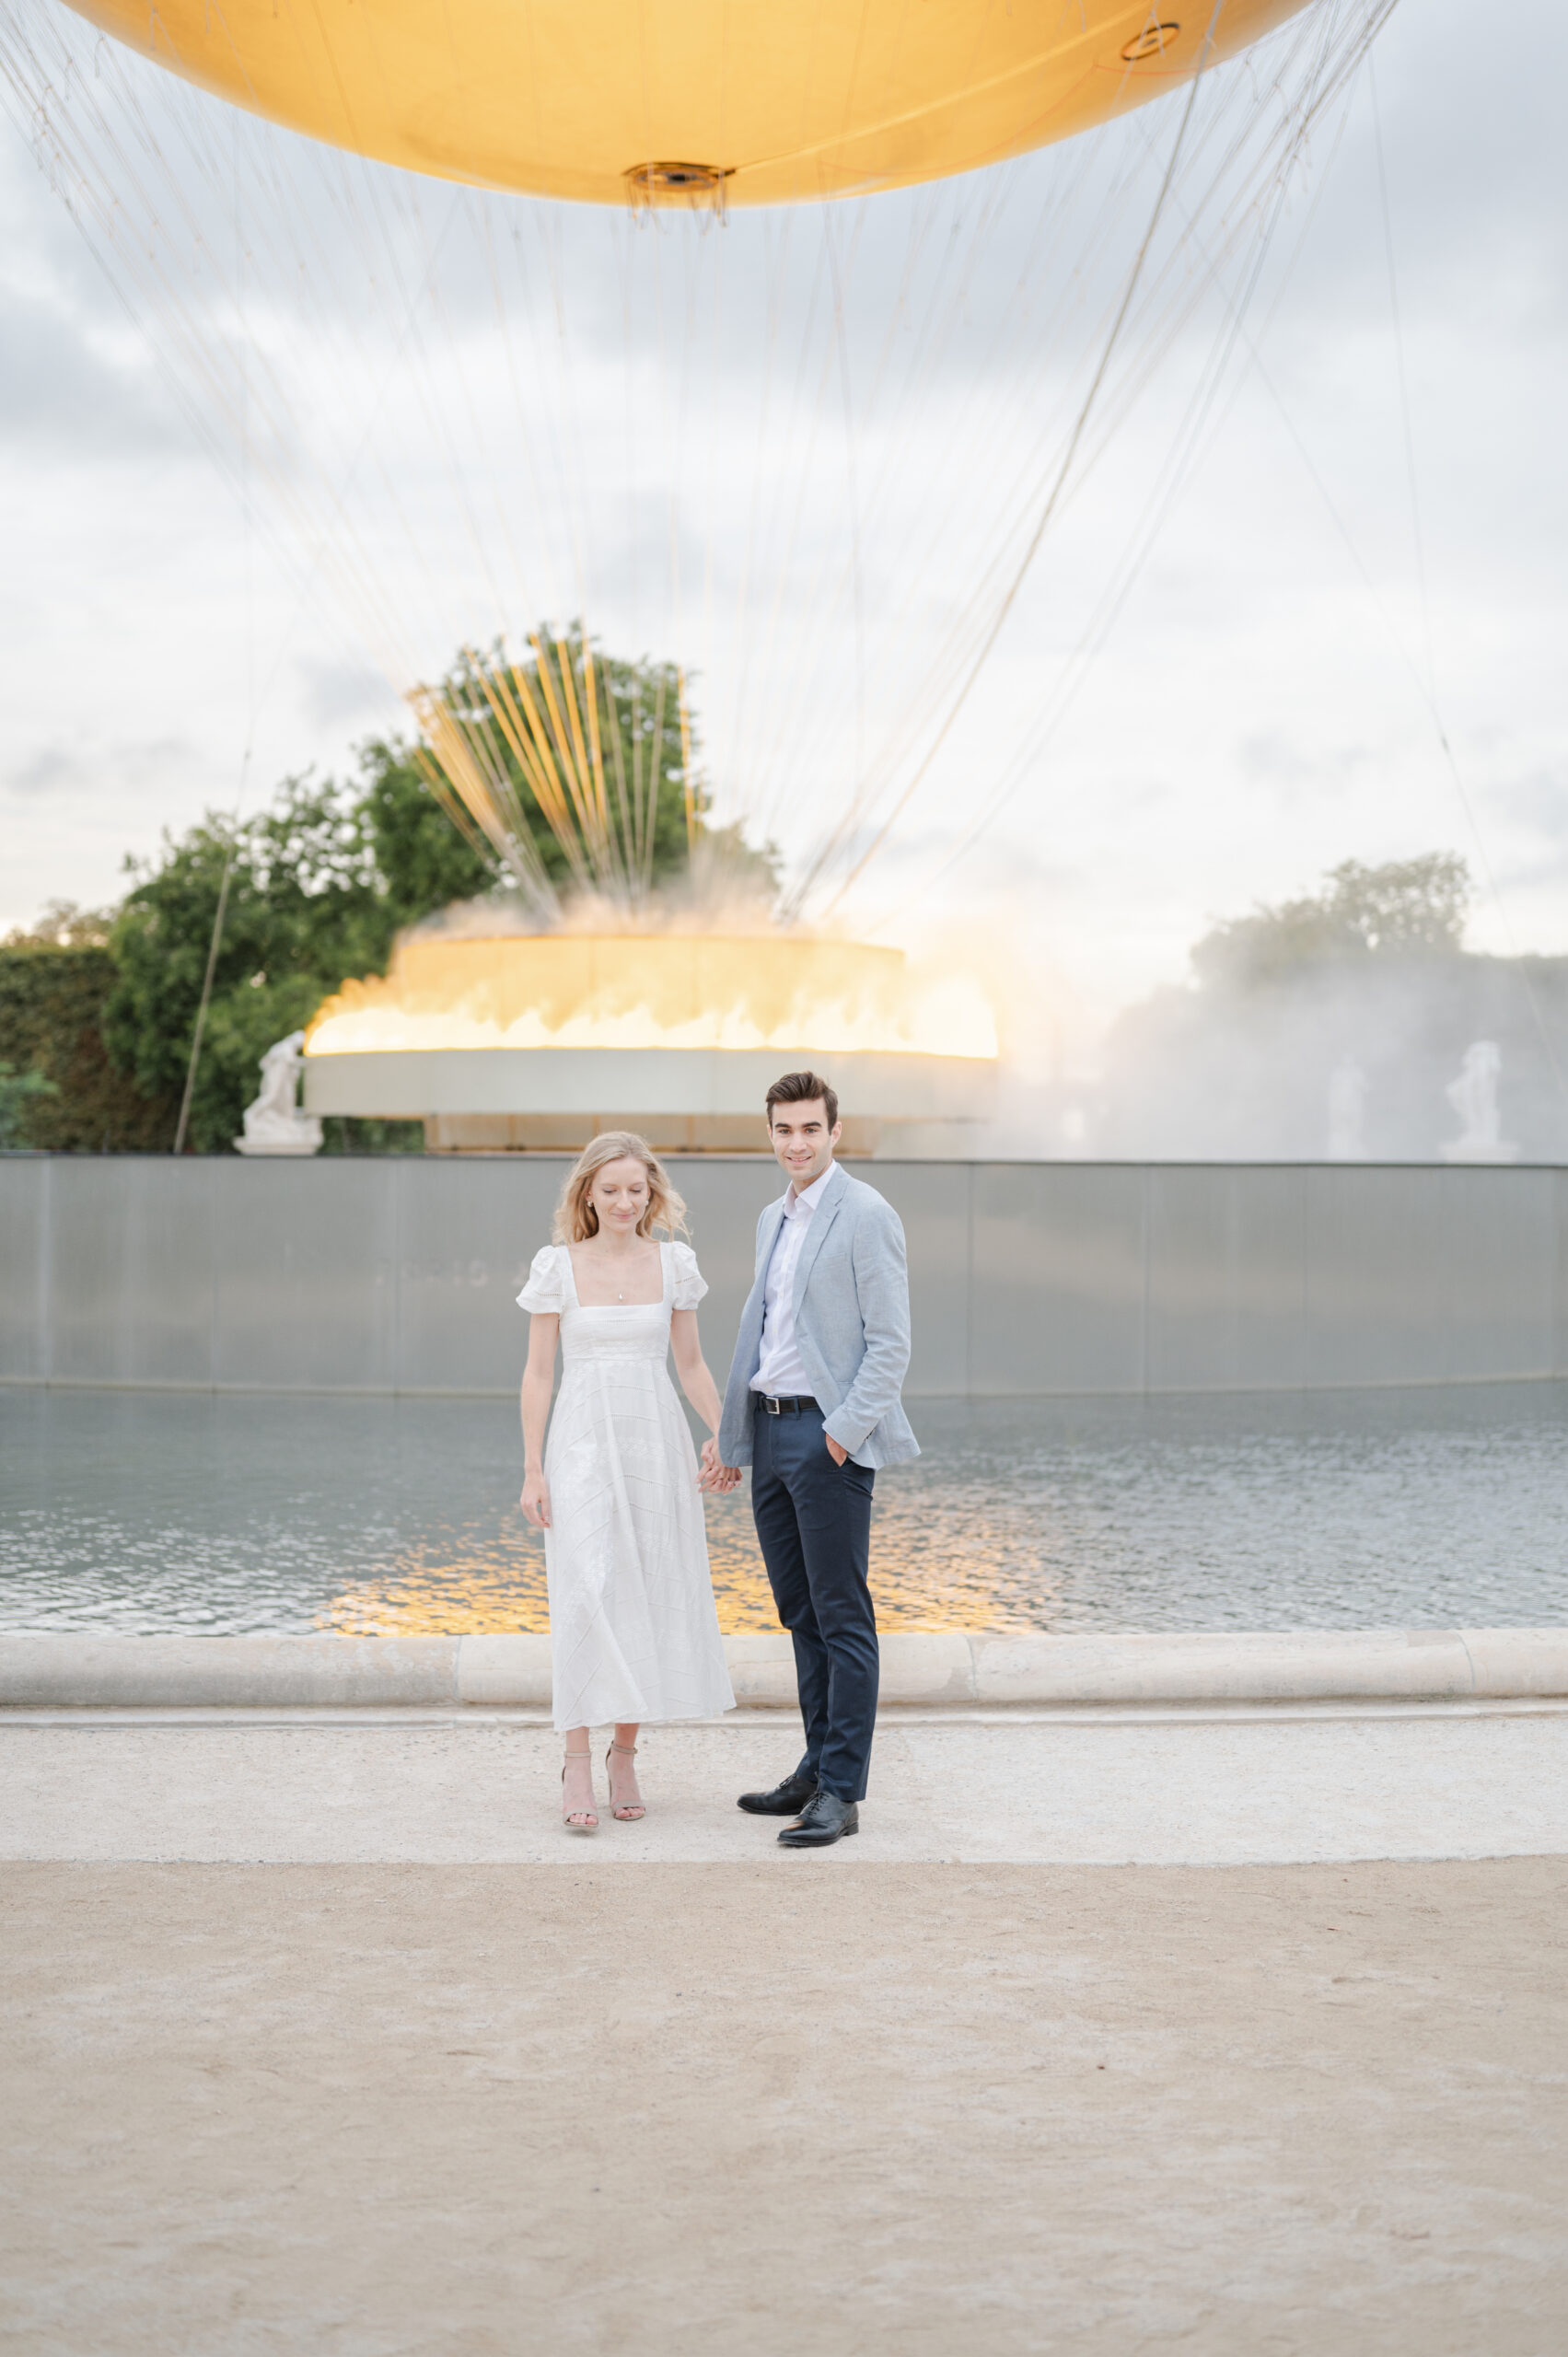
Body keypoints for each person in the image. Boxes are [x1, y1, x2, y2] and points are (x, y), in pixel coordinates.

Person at [716, 1071, 917, 1849]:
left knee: (841, 1616)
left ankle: (841, 1792)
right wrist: (737, 1437)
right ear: (769, 1134)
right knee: (799, 1612)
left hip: (826, 1436)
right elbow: (766, 1334)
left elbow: (889, 1344)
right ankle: (814, 1767)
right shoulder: (772, 1217)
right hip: (770, 1435)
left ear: (834, 1132)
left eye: (809, 1129)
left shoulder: (867, 1214)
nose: (795, 1143)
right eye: (783, 1130)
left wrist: (840, 1435)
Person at [517, 1132, 737, 1832]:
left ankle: (624, 1756)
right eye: (610, 1189)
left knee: (645, 1586)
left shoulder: (674, 1264)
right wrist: (532, 1469)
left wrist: (727, 1436)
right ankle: (576, 1760)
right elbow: (539, 1374)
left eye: (636, 1190)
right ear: (587, 1192)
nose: (623, 1202)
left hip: (653, 1442)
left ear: (652, 1194)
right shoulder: (556, 1266)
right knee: (585, 1591)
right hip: (580, 1443)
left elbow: (691, 1365)